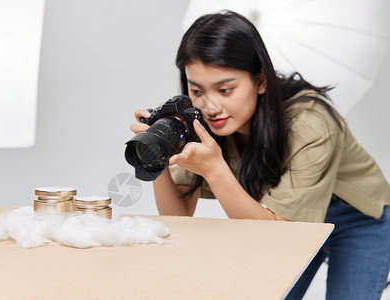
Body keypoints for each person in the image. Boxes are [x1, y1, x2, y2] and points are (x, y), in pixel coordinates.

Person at [130, 10, 390, 300]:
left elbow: (280, 240)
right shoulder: (199, 120)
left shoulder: (311, 122)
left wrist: (215, 170)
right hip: (280, 215)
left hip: (357, 217)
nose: (211, 106)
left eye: (225, 89)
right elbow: (177, 216)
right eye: (197, 90)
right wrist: (158, 152)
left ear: (261, 81)